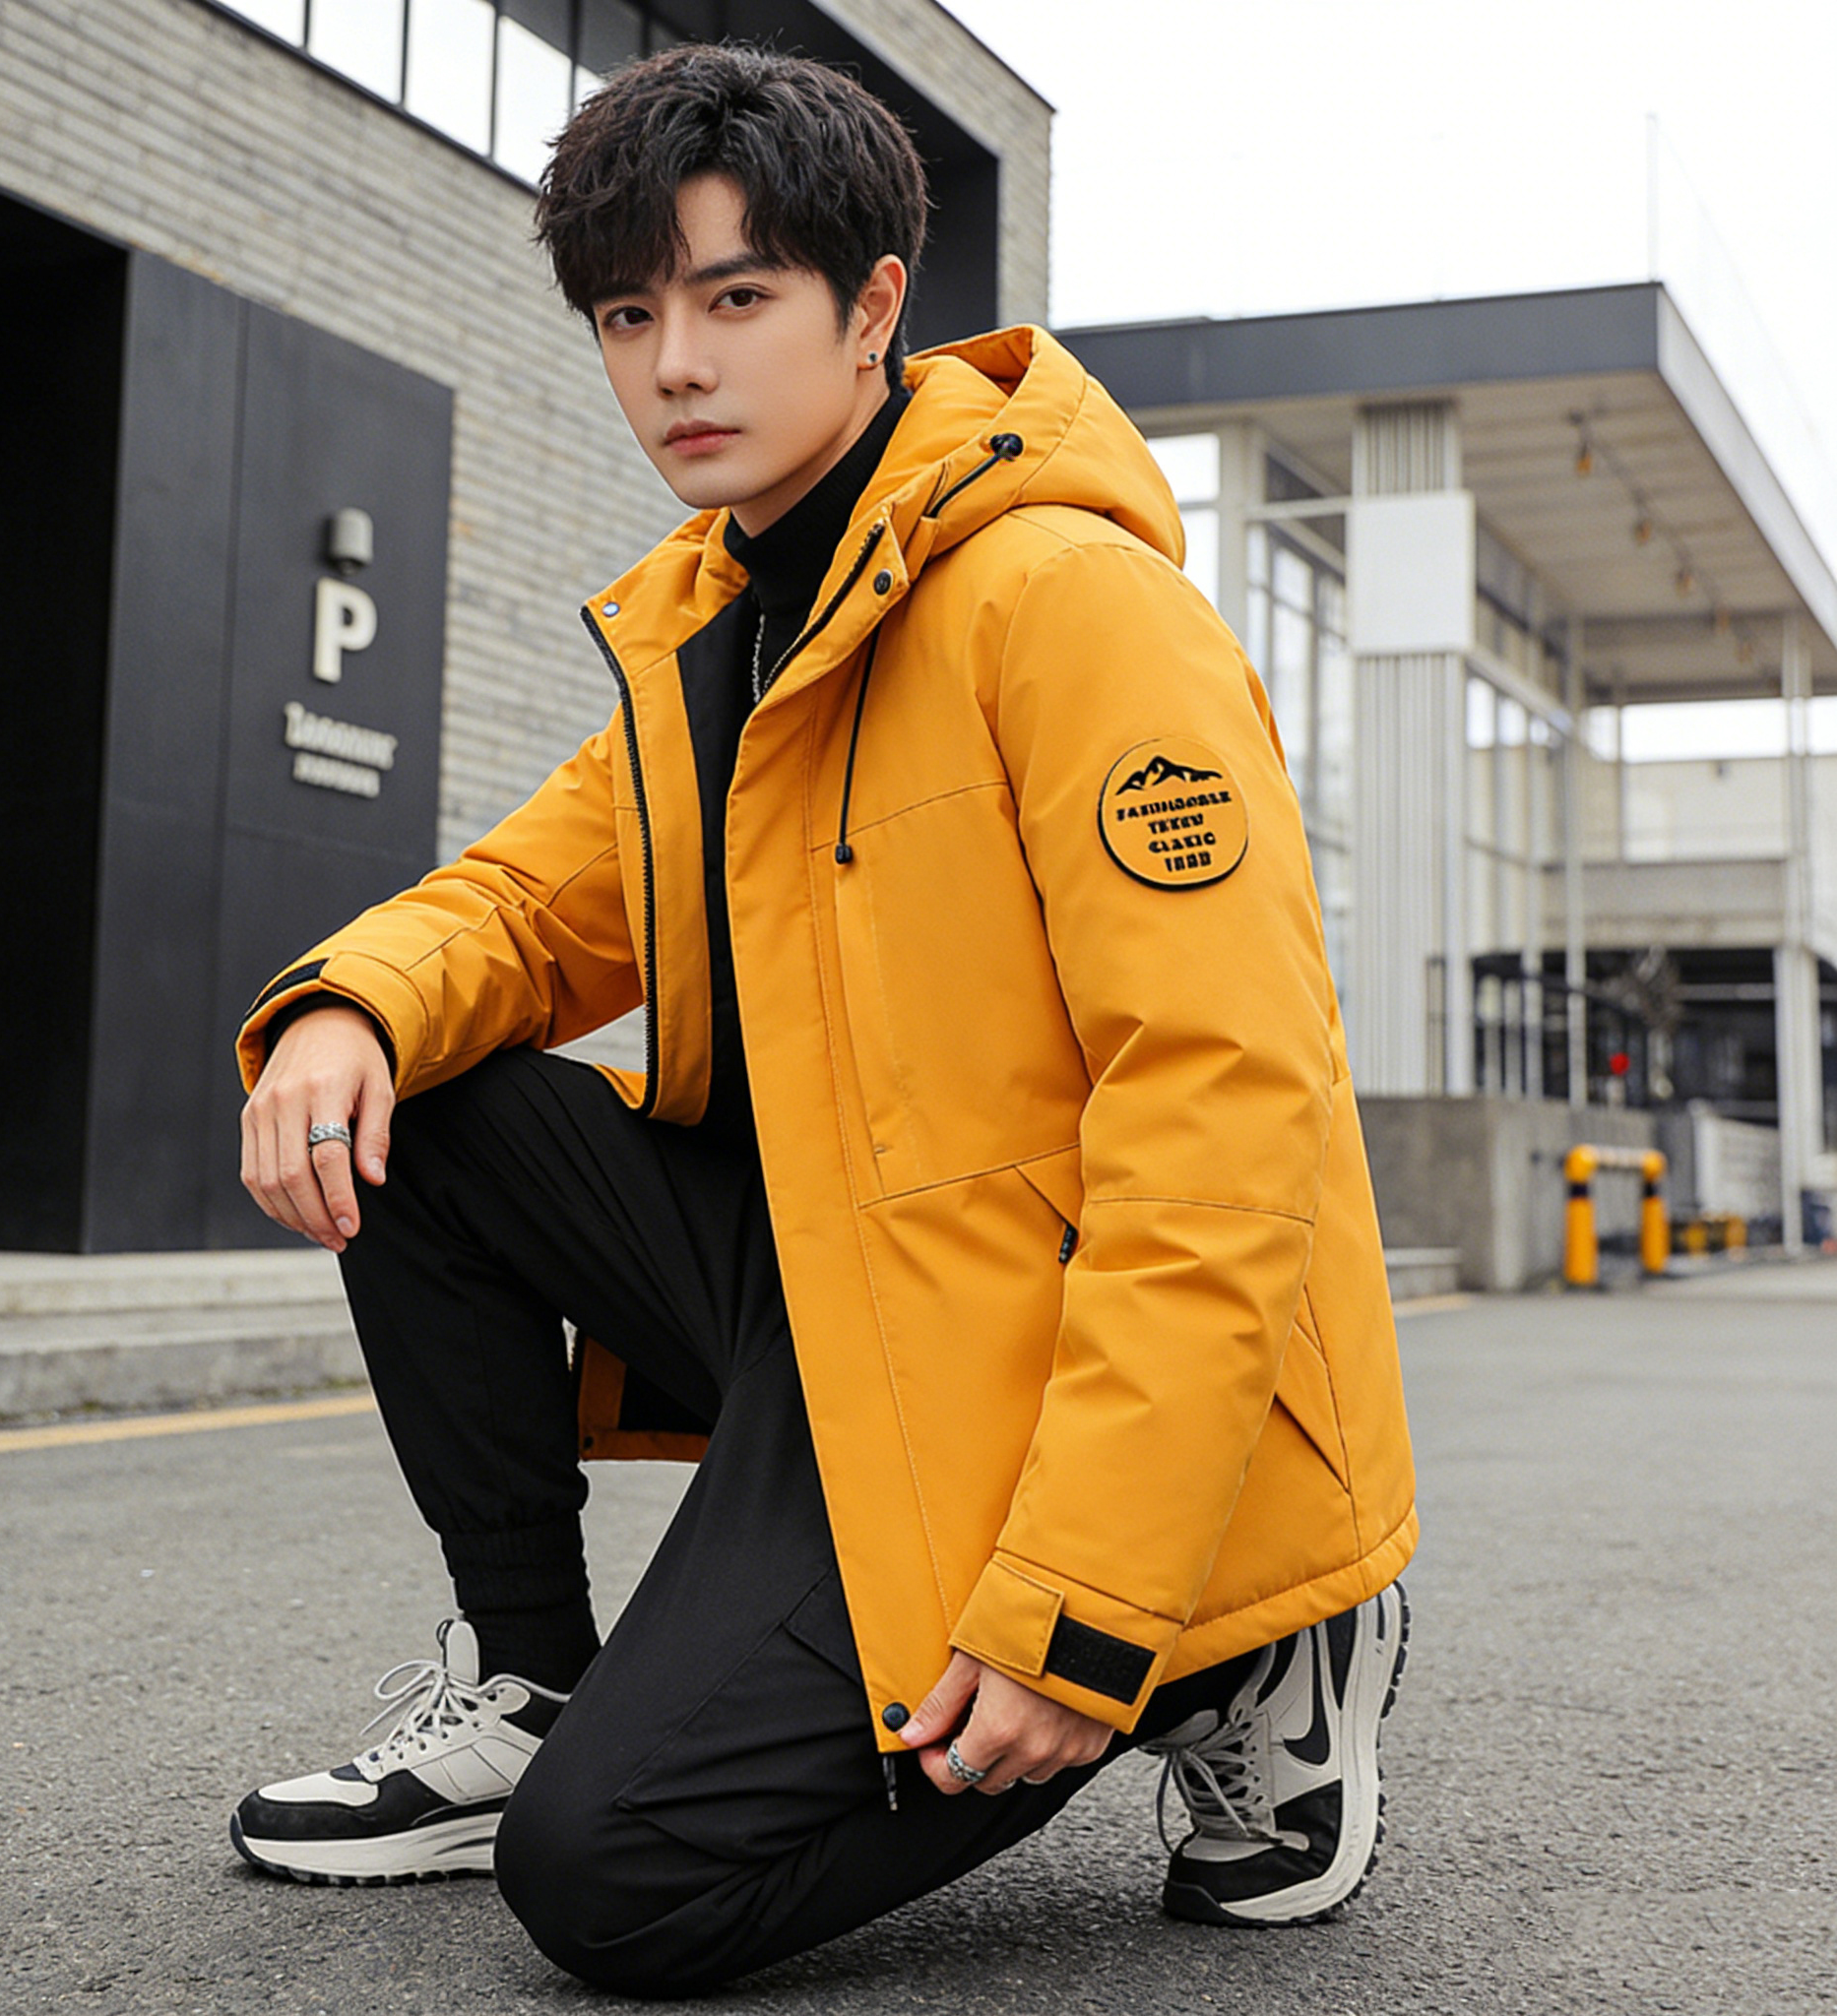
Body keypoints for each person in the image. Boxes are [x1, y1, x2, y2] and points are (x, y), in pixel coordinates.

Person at [226, 42, 1417, 1994]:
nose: (675, 366)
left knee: (611, 1882)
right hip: (834, 1296)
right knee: (415, 1090)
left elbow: (1225, 1118)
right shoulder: (721, 629)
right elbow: (520, 904)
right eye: (629, 315)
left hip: (1033, 1366)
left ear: (873, 308)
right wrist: (345, 1012)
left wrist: (1086, 1608)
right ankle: (530, 1676)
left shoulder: (1072, 607)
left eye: (735, 297)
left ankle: (1231, 1650)